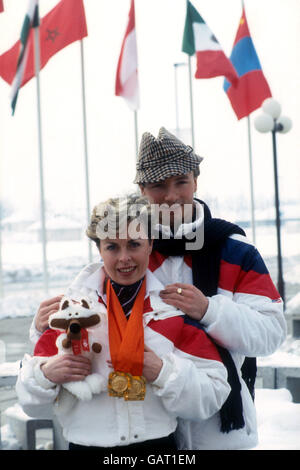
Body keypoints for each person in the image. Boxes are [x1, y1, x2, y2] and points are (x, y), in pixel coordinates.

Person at [29, 127, 286, 449]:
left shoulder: (235, 251)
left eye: (181, 182)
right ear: (142, 189)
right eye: (158, 185)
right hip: (147, 430)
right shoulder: (130, 250)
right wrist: (41, 329)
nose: (172, 196)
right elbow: (84, 324)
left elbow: (271, 334)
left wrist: (210, 310)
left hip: (218, 427)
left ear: (196, 180)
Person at [16, 194, 230, 452]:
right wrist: (45, 375)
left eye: (133, 244)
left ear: (150, 244)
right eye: (112, 247)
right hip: (86, 446)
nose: (124, 258)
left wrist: (163, 373)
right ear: (99, 249)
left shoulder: (172, 311)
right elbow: (31, 404)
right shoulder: (71, 314)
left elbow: (215, 393)